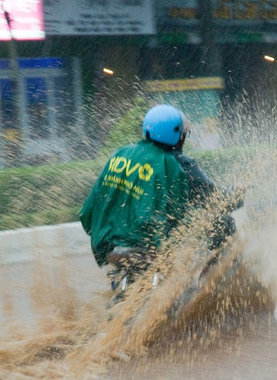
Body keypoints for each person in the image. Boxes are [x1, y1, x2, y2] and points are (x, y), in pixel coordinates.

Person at [80, 104, 235, 269]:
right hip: (150, 244)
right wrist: (236, 195)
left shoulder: (122, 154)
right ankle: (209, 283)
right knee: (223, 223)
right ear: (177, 136)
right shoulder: (177, 163)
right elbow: (206, 197)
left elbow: (89, 210)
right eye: (183, 134)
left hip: (110, 245)